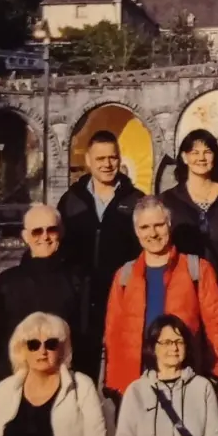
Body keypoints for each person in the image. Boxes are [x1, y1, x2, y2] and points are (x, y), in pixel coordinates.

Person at [102, 198, 218, 396]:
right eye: (145, 227)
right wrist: (115, 383)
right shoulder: (124, 276)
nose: (152, 233)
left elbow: (217, 327)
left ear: (169, 226)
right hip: (137, 384)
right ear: (136, 231)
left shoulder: (197, 269)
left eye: (159, 225)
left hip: (187, 380)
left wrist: (215, 373)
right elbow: (113, 334)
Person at [57, 130, 145, 374]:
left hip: (122, 295)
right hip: (81, 299)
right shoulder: (71, 200)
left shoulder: (136, 200)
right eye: (100, 158)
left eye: (113, 158)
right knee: (80, 370)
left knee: (123, 369)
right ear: (88, 160)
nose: (107, 164)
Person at [0, 205, 91, 388]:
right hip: (15, 380)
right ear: (25, 237)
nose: (45, 237)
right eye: (37, 231)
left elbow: (86, 337)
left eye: (51, 230)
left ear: (60, 232)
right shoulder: (7, 282)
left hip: (64, 381)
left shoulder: (79, 280)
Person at [159, 129, 218, 281]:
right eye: (195, 152)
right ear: (184, 157)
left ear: (215, 156)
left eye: (207, 152)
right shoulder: (168, 200)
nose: (201, 158)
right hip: (181, 284)